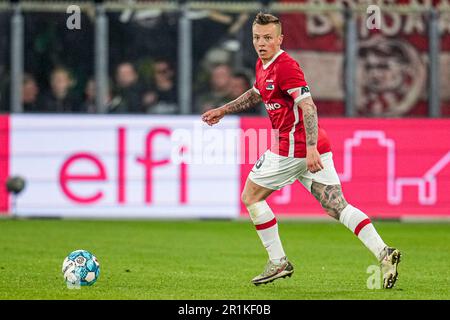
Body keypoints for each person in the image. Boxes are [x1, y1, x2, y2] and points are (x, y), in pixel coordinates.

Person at [202, 13, 401, 289]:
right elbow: (256, 93)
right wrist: (224, 109)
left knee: (251, 197)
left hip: (293, 148)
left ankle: (278, 261)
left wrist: (308, 149)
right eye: (257, 38)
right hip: (314, 144)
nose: (262, 43)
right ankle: (385, 252)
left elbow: (308, 106)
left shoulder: (286, 67)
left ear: (280, 39)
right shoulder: (264, 65)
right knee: (336, 206)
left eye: (268, 38)